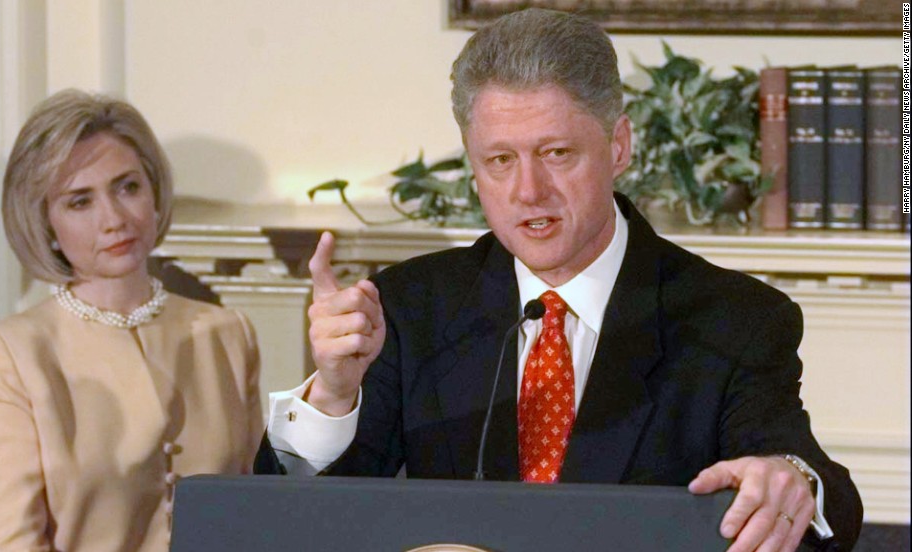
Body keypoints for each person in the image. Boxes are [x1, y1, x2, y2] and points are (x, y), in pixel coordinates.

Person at [255, 8, 862, 551]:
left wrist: (791, 478)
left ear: (618, 146)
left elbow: (809, 483)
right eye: (500, 161)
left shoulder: (732, 318)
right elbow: (289, 523)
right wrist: (333, 396)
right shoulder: (412, 308)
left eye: (556, 154)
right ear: (473, 165)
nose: (528, 192)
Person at [0, 90, 262, 551]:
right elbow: (11, 543)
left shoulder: (227, 333)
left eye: (128, 187)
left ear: (155, 193)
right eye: (80, 202)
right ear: (47, 226)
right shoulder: (10, 354)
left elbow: (258, 514)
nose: (115, 218)